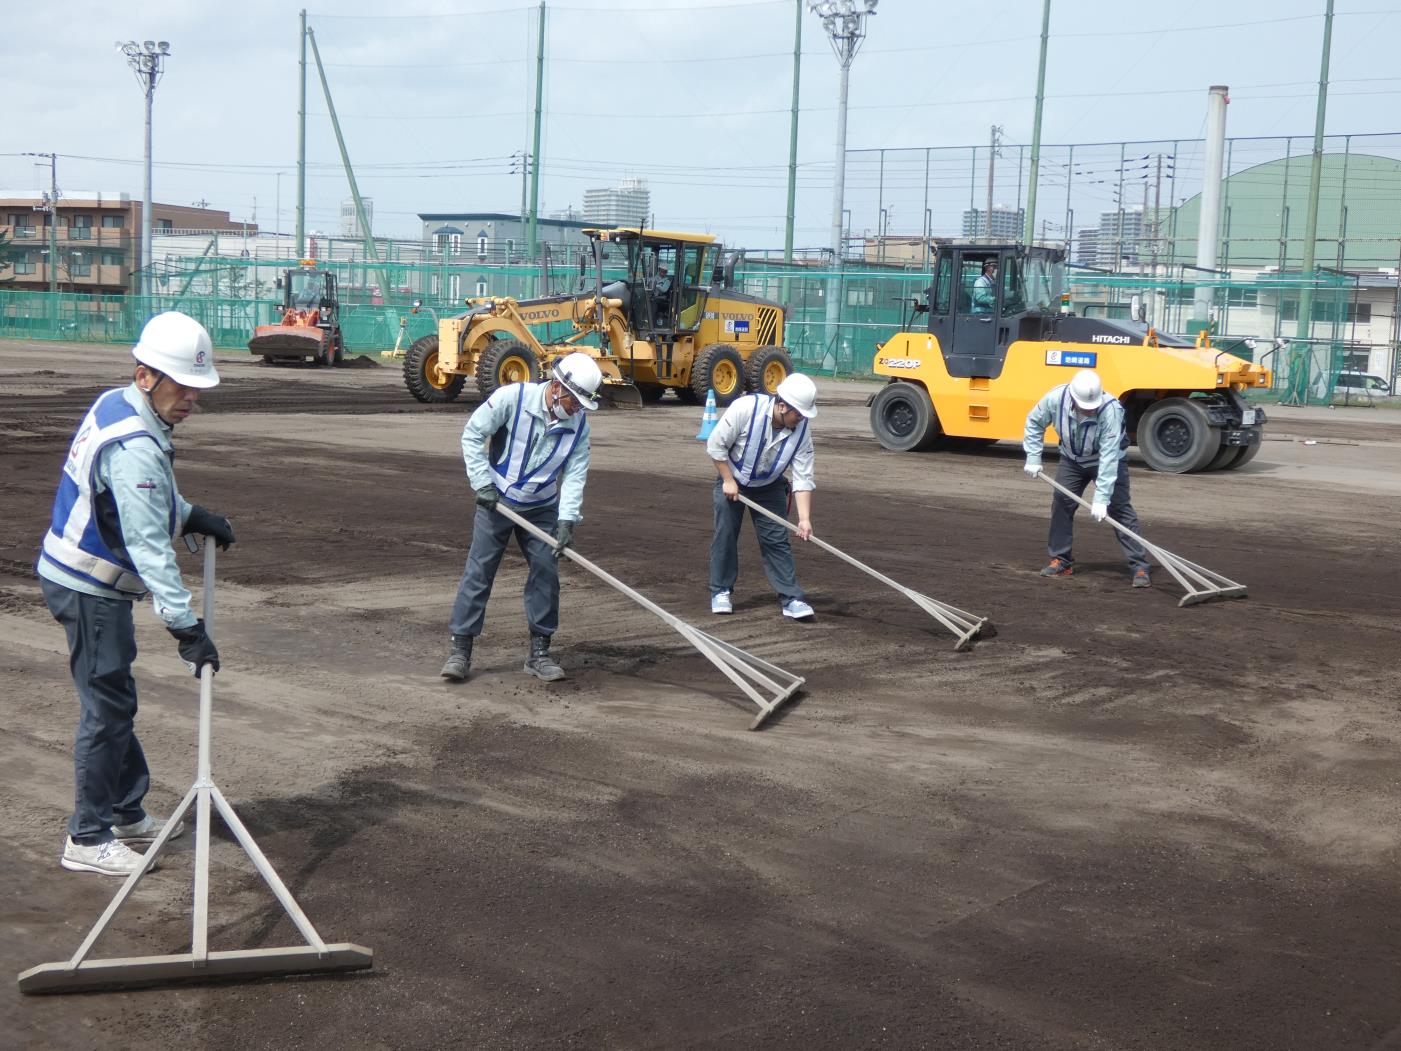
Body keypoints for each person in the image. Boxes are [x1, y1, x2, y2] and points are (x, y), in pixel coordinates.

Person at [38, 311, 235, 877]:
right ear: (147, 375)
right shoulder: (138, 449)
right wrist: (185, 627)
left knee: (114, 701)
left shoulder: (116, 402)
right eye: (183, 387)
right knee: (106, 710)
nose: (191, 400)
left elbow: (136, 503)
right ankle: (88, 835)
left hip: (74, 574)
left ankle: (124, 811)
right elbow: (149, 545)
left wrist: (191, 513)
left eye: (197, 389)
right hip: (89, 587)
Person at [441, 351, 602, 684]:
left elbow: (575, 473)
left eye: (581, 405)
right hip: (495, 500)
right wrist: (482, 483)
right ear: (558, 387)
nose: (576, 409)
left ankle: (539, 652)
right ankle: (461, 650)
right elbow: (472, 433)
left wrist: (567, 520)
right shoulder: (512, 398)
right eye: (574, 402)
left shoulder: (578, 427)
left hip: (542, 507)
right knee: (480, 571)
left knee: (546, 573)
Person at [1023, 369, 1151, 588]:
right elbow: (1034, 422)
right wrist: (1033, 456)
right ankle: (1061, 560)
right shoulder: (1055, 398)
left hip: (1107, 461)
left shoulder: (1111, 410)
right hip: (1072, 459)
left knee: (1119, 509)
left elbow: (1109, 457)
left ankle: (1139, 566)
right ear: (1073, 397)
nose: (1089, 411)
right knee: (1062, 503)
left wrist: (1101, 499)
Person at [706, 372, 818, 621]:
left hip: (769, 487)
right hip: (732, 479)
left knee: (777, 540)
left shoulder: (801, 431)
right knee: (725, 534)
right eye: (797, 413)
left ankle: (791, 598)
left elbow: (802, 476)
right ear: (781, 405)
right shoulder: (746, 408)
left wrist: (805, 518)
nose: (800, 419)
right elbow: (716, 445)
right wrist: (727, 480)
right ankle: (721, 591)